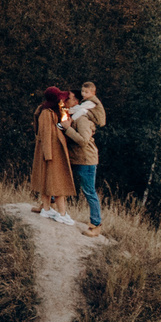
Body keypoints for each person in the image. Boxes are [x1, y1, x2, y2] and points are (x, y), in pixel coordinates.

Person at [67, 79, 107, 240]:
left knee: (89, 191)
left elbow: (83, 140)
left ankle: (96, 225)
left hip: (86, 160)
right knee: (64, 181)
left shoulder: (83, 117)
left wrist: (67, 128)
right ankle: (51, 206)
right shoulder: (81, 111)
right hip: (77, 158)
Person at [30, 86, 74, 220]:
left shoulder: (52, 110)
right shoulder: (46, 113)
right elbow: (45, 134)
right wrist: (48, 155)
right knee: (56, 182)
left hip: (53, 151)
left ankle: (47, 208)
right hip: (51, 152)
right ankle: (62, 214)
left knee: (47, 181)